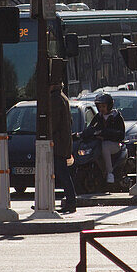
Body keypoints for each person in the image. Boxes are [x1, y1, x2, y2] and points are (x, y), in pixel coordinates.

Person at [84, 93, 125, 183]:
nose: (101, 109)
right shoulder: (98, 117)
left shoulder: (117, 117)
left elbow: (121, 135)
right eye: (99, 107)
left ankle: (110, 173)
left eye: (103, 106)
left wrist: (106, 134)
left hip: (114, 145)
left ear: (109, 106)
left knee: (105, 146)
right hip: (99, 143)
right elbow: (91, 128)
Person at [50, 77, 77, 213]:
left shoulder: (55, 99)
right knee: (61, 173)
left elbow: (53, 122)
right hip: (63, 141)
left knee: (62, 173)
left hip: (57, 142)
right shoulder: (63, 97)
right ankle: (69, 201)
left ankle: (71, 202)